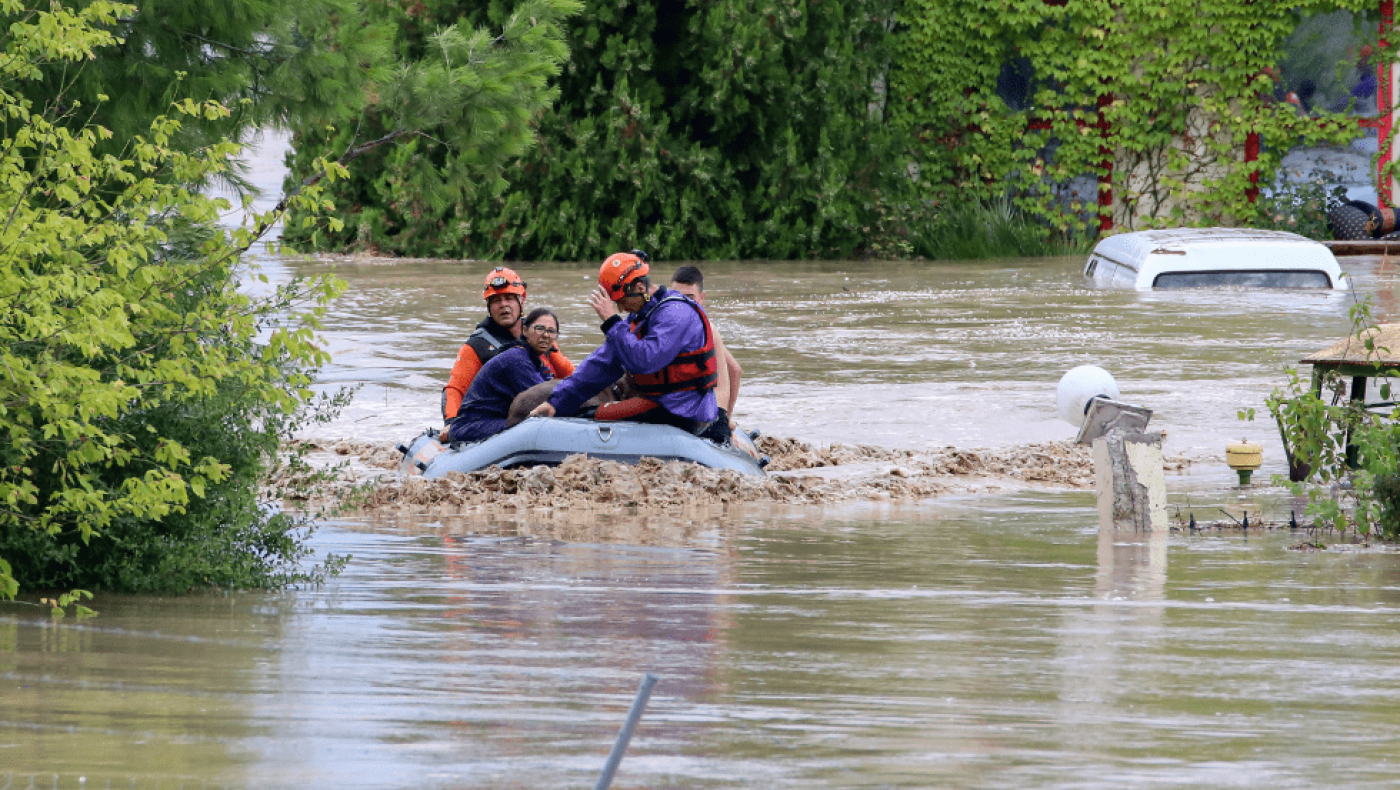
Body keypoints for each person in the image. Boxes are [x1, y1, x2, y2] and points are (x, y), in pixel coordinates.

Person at [529, 250, 717, 434]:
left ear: (639, 288)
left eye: (620, 300)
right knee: (576, 412)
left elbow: (644, 360)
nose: (619, 307)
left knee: (587, 418)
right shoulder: (638, 318)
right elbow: (600, 364)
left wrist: (611, 322)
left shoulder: (676, 313)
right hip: (661, 402)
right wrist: (556, 403)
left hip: (684, 409)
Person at [441, 266, 573, 422]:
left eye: (509, 298)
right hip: (501, 419)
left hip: (541, 409)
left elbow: (569, 375)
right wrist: (451, 423)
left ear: (521, 301)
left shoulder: (539, 335)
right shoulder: (477, 346)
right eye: (496, 300)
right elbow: (455, 390)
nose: (503, 304)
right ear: (489, 307)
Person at [444, 308, 564, 443]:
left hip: (495, 420)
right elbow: (545, 399)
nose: (545, 335)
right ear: (524, 331)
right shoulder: (516, 359)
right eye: (539, 329)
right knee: (533, 426)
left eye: (551, 331)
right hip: (471, 426)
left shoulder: (536, 361)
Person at [669, 265, 742, 444]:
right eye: (677, 297)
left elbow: (735, 371)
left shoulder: (706, 329)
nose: (682, 304)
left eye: (690, 298)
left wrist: (723, 419)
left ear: (702, 298)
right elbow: (734, 370)